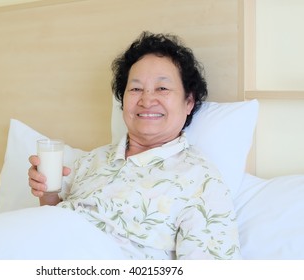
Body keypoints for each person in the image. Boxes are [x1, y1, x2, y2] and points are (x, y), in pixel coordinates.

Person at [28, 31, 241, 260]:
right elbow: (53, 225)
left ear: (188, 102)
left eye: (162, 88)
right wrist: (47, 192)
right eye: (136, 89)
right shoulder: (92, 160)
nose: (147, 100)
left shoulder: (201, 181)